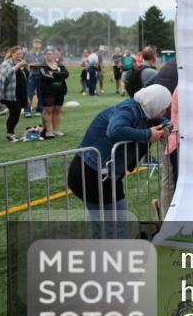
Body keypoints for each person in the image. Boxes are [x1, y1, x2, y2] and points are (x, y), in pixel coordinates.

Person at [67, 84, 172, 237]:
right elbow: (115, 130)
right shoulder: (128, 109)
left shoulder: (145, 111)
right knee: (110, 227)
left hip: (105, 175)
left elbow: (163, 120)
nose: (166, 111)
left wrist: (166, 126)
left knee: (116, 226)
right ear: (155, 104)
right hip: (89, 174)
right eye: (165, 107)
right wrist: (147, 135)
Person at [0, 47, 29, 142]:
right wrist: (18, 66)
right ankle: (9, 134)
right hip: (10, 93)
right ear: (12, 53)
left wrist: (24, 67)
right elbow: (6, 77)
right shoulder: (6, 63)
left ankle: (12, 133)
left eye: (21, 53)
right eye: (17, 53)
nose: (20, 55)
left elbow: (26, 75)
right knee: (15, 111)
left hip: (20, 93)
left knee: (17, 112)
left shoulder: (21, 62)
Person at [39, 47, 69, 138]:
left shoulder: (60, 65)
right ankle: (48, 131)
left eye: (51, 54)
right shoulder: (42, 66)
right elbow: (45, 77)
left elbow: (66, 74)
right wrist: (59, 76)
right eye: (47, 54)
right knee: (48, 110)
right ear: (45, 55)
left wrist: (53, 74)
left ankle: (56, 131)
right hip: (48, 92)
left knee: (57, 110)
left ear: (54, 55)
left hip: (60, 91)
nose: (49, 55)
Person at [24, 38, 45, 117]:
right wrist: (32, 64)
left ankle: (39, 110)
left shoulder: (43, 54)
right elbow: (24, 63)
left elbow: (46, 64)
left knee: (40, 94)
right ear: (32, 45)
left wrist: (40, 65)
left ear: (40, 45)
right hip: (31, 76)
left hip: (40, 76)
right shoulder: (28, 54)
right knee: (29, 94)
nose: (37, 45)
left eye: (38, 44)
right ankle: (27, 111)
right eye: (35, 43)